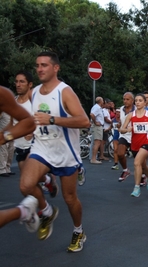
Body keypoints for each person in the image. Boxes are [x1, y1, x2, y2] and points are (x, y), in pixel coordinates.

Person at [19, 51, 90, 252]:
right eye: (37, 65)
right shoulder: (34, 92)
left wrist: (52, 119)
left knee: (70, 198)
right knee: (26, 185)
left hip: (65, 152)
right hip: (41, 148)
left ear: (55, 68)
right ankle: (47, 211)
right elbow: (31, 120)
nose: (39, 69)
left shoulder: (64, 92)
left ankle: (78, 231)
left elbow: (84, 121)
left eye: (44, 65)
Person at [0, 85, 37, 230]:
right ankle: (23, 211)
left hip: (32, 144)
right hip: (20, 145)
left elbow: (29, 122)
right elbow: (10, 123)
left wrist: (4, 138)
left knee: (27, 181)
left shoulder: (2, 94)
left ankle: (23, 211)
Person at [120, 93, 148, 197]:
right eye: (136, 101)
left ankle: (136, 188)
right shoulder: (131, 116)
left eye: (140, 100)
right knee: (143, 165)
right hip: (135, 144)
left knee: (136, 163)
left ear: (145, 103)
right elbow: (121, 130)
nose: (138, 102)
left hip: (147, 143)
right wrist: (127, 129)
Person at [117, 92, 135, 182]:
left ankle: (144, 175)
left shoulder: (137, 110)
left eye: (127, 99)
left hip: (135, 136)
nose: (125, 101)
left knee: (138, 159)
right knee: (120, 153)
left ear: (132, 100)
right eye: (124, 99)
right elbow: (121, 121)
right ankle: (125, 170)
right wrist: (119, 125)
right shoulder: (121, 109)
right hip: (124, 135)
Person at [89, 96, 104, 164]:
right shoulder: (97, 107)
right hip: (97, 127)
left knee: (96, 142)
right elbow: (92, 114)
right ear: (101, 101)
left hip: (97, 126)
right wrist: (95, 122)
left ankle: (93, 157)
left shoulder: (97, 107)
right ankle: (93, 158)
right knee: (97, 142)